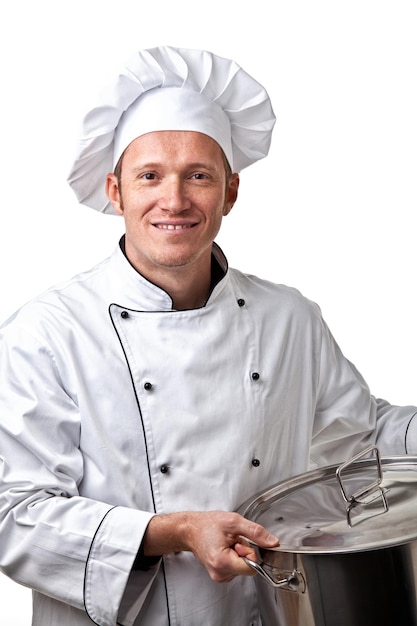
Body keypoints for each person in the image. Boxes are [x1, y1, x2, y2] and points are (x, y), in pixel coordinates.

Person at [0, 45, 416, 626]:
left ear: (231, 191)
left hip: (264, 610)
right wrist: (171, 532)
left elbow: (361, 435)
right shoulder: (46, 334)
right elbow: (15, 516)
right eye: (150, 176)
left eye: (199, 175)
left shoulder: (287, 317)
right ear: (115, 191)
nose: (175, 200)